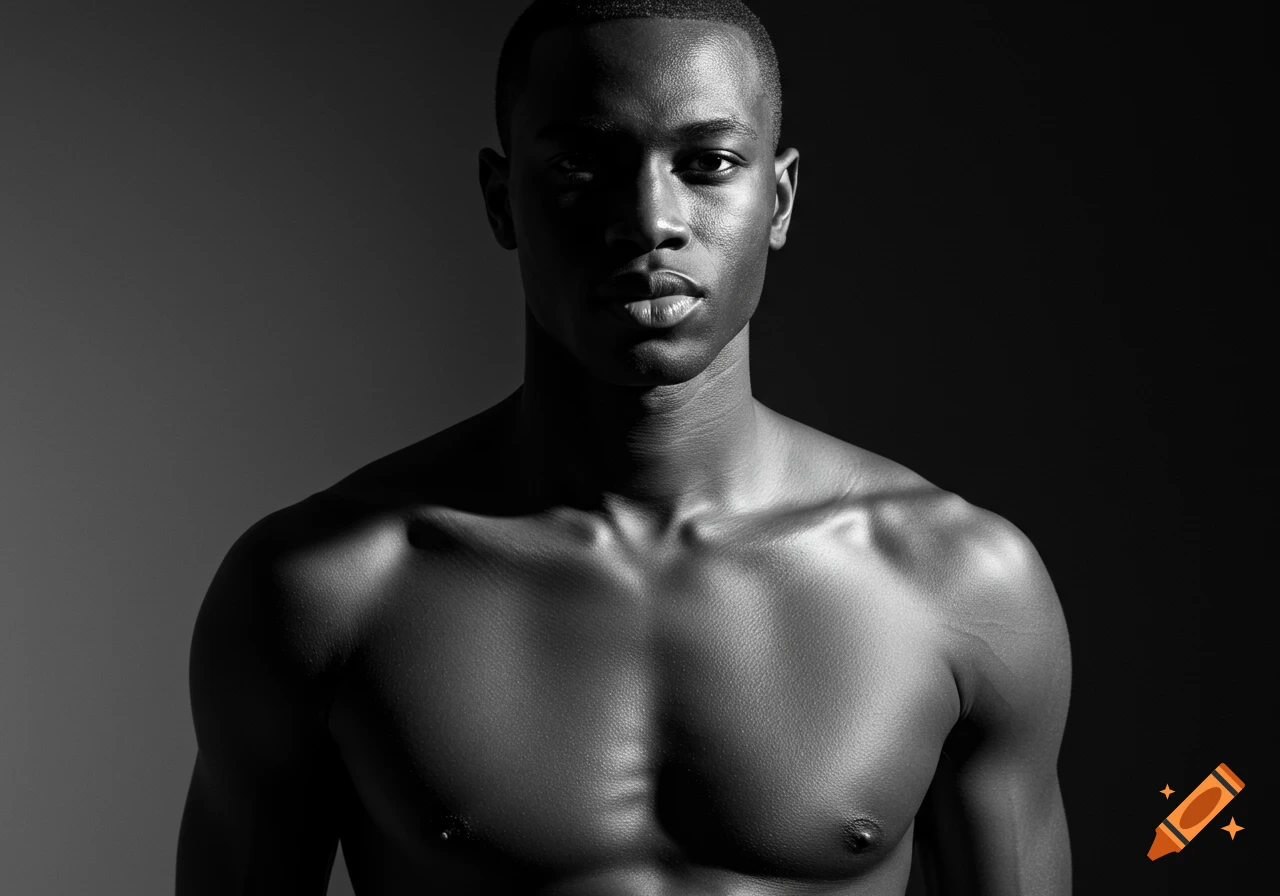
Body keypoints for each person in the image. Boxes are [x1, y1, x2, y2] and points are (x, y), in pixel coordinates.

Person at [176, 1, 1073, 893]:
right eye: (580, 165)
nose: (649, 219)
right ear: (502, 201)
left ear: (780, 200)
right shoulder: (323, 588)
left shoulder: (955, 581)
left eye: (708, 163)